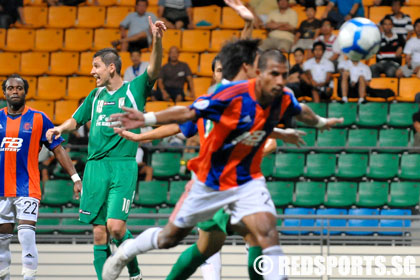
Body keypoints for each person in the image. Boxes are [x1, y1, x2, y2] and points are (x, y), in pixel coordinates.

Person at [102, 49, 343, 280]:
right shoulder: (228, 95)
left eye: (284, 74)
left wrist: (321, 123)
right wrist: (146, 119)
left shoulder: (283, 96)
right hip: (210, 182)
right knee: (171, 239)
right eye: (274, 74)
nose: (280, 80)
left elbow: (301, 112)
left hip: (247, 179)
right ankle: (126, 251)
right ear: (257, 72)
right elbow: (186, 115)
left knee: (267, 233)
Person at [45, 18, 166, 280]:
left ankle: (134, 272)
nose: (92, 71)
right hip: (94, 168)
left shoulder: (135, 89)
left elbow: (154, 68)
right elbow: (75, 119)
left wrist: (157, 41)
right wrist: (59, 129)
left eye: (96, 66)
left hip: (122, 165)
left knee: (116, 227)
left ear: (111, 68)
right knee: (99, 233)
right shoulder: (95, 95)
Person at [0, 74, 82, 280]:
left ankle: (29, 277)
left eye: (19, 88)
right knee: (2, 238)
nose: (15, 91)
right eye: (10, 88)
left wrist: (75, 178)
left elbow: (58, 149)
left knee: (26, 234)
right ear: (5, 93)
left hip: (27, 186)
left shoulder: (39, 118)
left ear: (25, 92)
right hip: (1, 188)